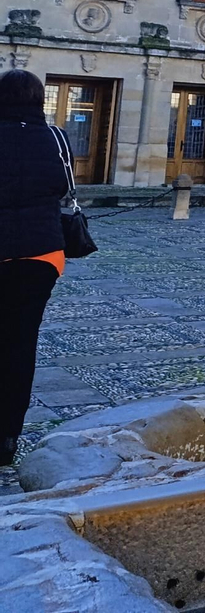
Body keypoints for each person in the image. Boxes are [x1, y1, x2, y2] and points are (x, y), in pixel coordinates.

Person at [0, 70, 69, 465]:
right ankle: (8, 436)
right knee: (21, 343)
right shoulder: (56, 139)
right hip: (42, 254)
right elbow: (60, 188)